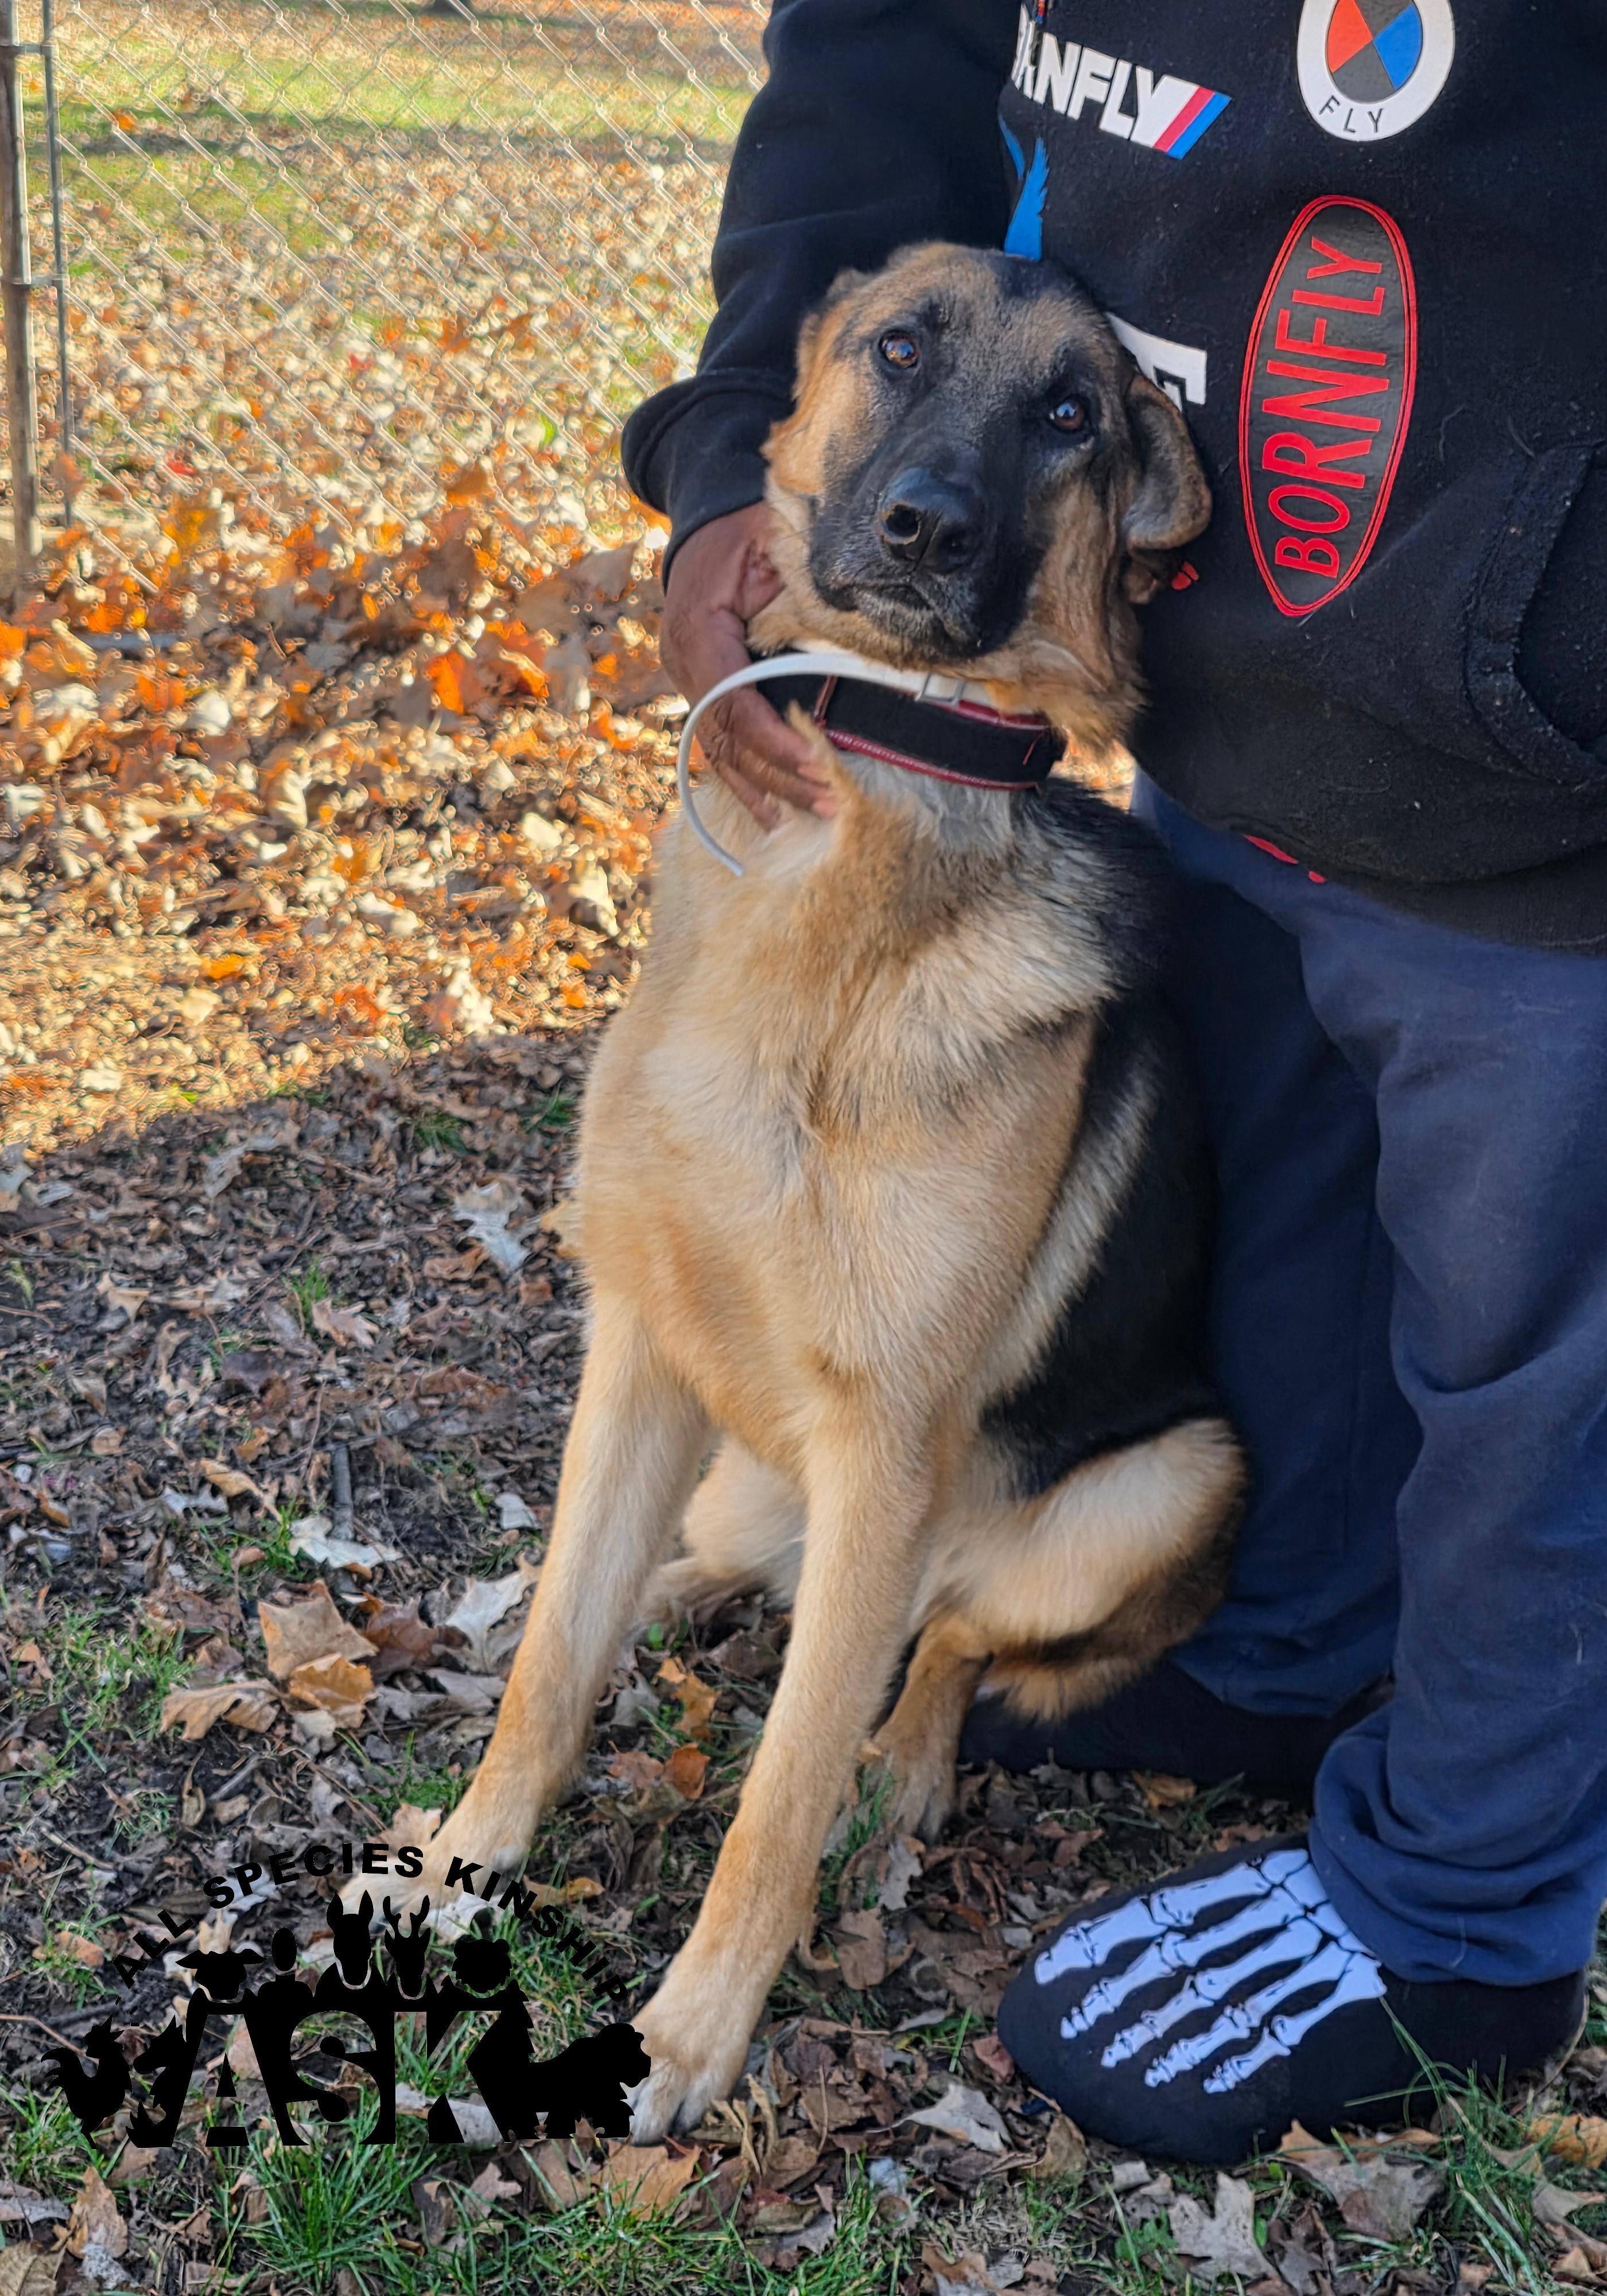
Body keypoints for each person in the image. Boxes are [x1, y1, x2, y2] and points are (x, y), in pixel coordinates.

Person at [620, 0, 1607, 2162]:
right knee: (1268, 1278)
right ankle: (1284, 1669)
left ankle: (1471, 1907)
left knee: (1531, 1371)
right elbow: (882, 70)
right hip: (1213, 750)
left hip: (1562, 816)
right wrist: (729, 475)